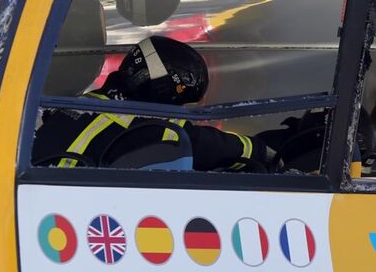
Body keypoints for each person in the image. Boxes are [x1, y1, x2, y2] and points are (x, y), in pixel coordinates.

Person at [32, 36, 267, 171]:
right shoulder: (148, 128)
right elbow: (205, 144)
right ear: (161, 89)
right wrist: (263, 150)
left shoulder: (82, 104)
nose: (179, 111)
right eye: (179, 102)